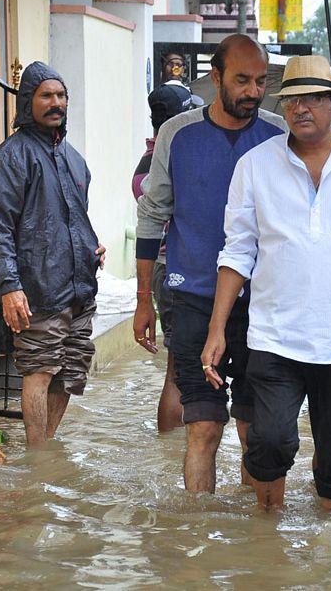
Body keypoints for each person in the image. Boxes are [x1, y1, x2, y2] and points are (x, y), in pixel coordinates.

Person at [201, 55, 331, 512]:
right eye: (293, 99)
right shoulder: (256, 165)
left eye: (314, 98)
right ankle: (267, 537)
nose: (302, 109)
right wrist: (217, 329)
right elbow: (237, 251)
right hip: (275, 337)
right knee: (271, 443)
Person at [135, 35, 286, 493]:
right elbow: (152, 214)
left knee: (254, 430)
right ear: (215, 78)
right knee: (202, 428)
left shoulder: (280, 134)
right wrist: (144, 300)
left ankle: (252, 543)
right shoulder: (177, 134)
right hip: (191, 296)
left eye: (260, 81)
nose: (253, 91)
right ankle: (197, 539)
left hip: (263, 302)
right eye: (242, 80)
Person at [0, 62, 105, 447]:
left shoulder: (74, 157)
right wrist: (9, 286)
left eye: (61, 96)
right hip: (36, 288)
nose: (56, 103)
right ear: (28, 102)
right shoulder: (13, 156)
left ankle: (47, 448)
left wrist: (91, 244)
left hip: (79, 286)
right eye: (46, 96)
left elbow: (74, 216)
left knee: (70, 372)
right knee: (39, 369)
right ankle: (36, 457)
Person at [132, 83, 199, 431]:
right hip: (181, 269)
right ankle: (177, 447)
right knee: (180, 371)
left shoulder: (147, 160)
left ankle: (173, 450)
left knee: (178, 368)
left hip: (161, 270)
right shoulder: (177, 158)